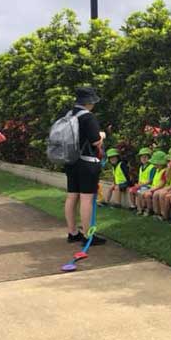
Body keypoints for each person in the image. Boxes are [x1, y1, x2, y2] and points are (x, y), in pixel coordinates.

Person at [62, 87, 107, 246]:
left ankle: (72, 232)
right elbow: (95, 141)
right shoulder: (88, 117)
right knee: (86, 199)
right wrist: (102, 135)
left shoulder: (69, 115)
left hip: (71, 161)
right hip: (87, 162)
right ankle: (88, 235)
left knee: (72, 196)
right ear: (89, 102)